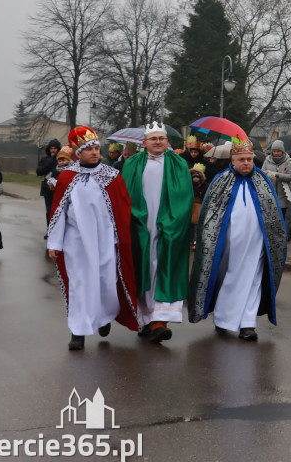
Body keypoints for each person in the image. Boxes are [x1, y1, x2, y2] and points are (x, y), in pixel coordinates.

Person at [46, 126, 140, 351]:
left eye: (97, 148)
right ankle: (78, 332)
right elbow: (58, 211)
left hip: (106, 240)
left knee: (106, 282)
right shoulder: (68, 177)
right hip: (76, 243)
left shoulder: (112, 176)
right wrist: (54, 243)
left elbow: (123, 208)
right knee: (79, 286)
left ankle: (104, 317)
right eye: (89, 149)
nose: (95, 152)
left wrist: (120, 238)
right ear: (79, 153)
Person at [188, 139, 287, 341]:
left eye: (249, 159)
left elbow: (273, 213)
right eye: (241, 159)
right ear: (233, 160)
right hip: (229, 246)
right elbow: (210, 216)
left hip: (257, 244)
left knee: (254, 280)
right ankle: (224, 319)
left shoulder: (263, 181)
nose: (246, 163)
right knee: (229, 278)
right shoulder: (221, 181)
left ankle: (248, 324)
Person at [121, 121, 195, 344]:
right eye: (153, 139)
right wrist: (138, 219)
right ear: (144, 143)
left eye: (161, 138)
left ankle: (159, 321)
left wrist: (171, 222)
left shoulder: (178, 164)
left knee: (162, 266)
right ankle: (145, 319)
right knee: (144, 267)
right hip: (141, 226)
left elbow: (185, 197)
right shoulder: (133, 163)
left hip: (168, 227)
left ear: (167, 142)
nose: (158, 142)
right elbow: (125, 194)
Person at [263, 139, 291, 238]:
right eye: (274, 151)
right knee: (271, 217)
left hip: (283, 194)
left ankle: (281, 236)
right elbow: (261, 172)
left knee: (281, 217)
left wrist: (278, 175)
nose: (276, 153)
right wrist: (266, 174)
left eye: (278, 151)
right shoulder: (267, 160)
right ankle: (272, 236)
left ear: (282, 151)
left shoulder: (288, 160)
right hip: (270, 194)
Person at [36, 138, 62, 227]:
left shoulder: (61, 160)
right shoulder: (45, 160)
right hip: (47, 188)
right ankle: (49, 229)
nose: (53, 150)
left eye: (55, 148)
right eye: (51, 148)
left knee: (58, 210)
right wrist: (49, 163)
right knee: (49, 210)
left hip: (59, 188)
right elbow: (39, 171)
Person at [189, 163, 208, 250]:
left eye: (197, 177)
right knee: (191, 226)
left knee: (197, 226)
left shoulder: (204, 186)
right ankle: (192, 240)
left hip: (198, 208)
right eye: (194, 177)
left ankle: (195, 241)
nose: (196, 179)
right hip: (191, 208)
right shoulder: (189, 186)